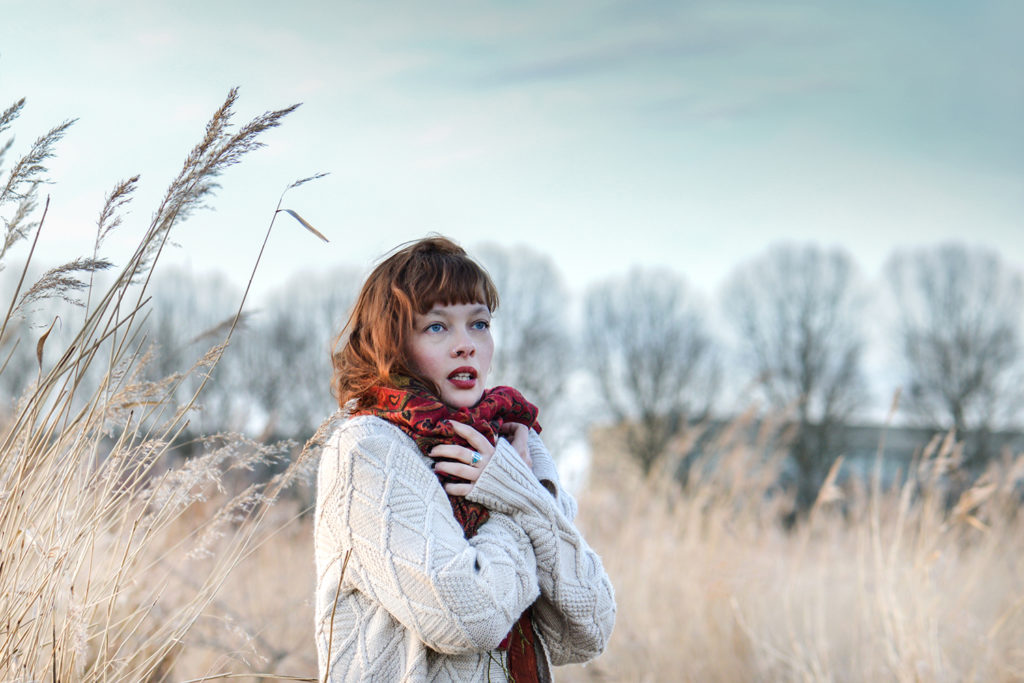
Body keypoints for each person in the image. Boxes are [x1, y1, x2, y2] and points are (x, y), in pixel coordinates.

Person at [314, 236, 615, 681]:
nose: (466, 345)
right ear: (391, 343)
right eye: (436, 327)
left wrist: (520, 492)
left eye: (479, 324)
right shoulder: (368, 449)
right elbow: (470, 621)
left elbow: (587, 630)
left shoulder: (513, 442)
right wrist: (516, 500)